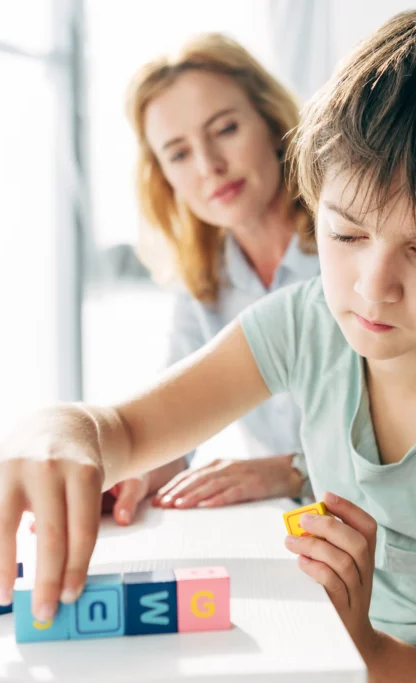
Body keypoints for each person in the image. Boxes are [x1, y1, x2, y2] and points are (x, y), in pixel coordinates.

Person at [0, 9, 416, 682]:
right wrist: (60, 427)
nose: (373, 290)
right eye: (345, 234)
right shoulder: (308, 320)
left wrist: (367, 649)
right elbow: (125, 428)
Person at [105, 33, 319, 526]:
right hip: (298, 534)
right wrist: (137, 474)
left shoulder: (353, 243)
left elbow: (414, 428)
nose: (209, 166)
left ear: (271, 120)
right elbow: (174, 426)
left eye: (224, 129)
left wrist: (292, 470)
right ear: (163, 176)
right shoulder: (204, 282)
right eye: (178, 153)